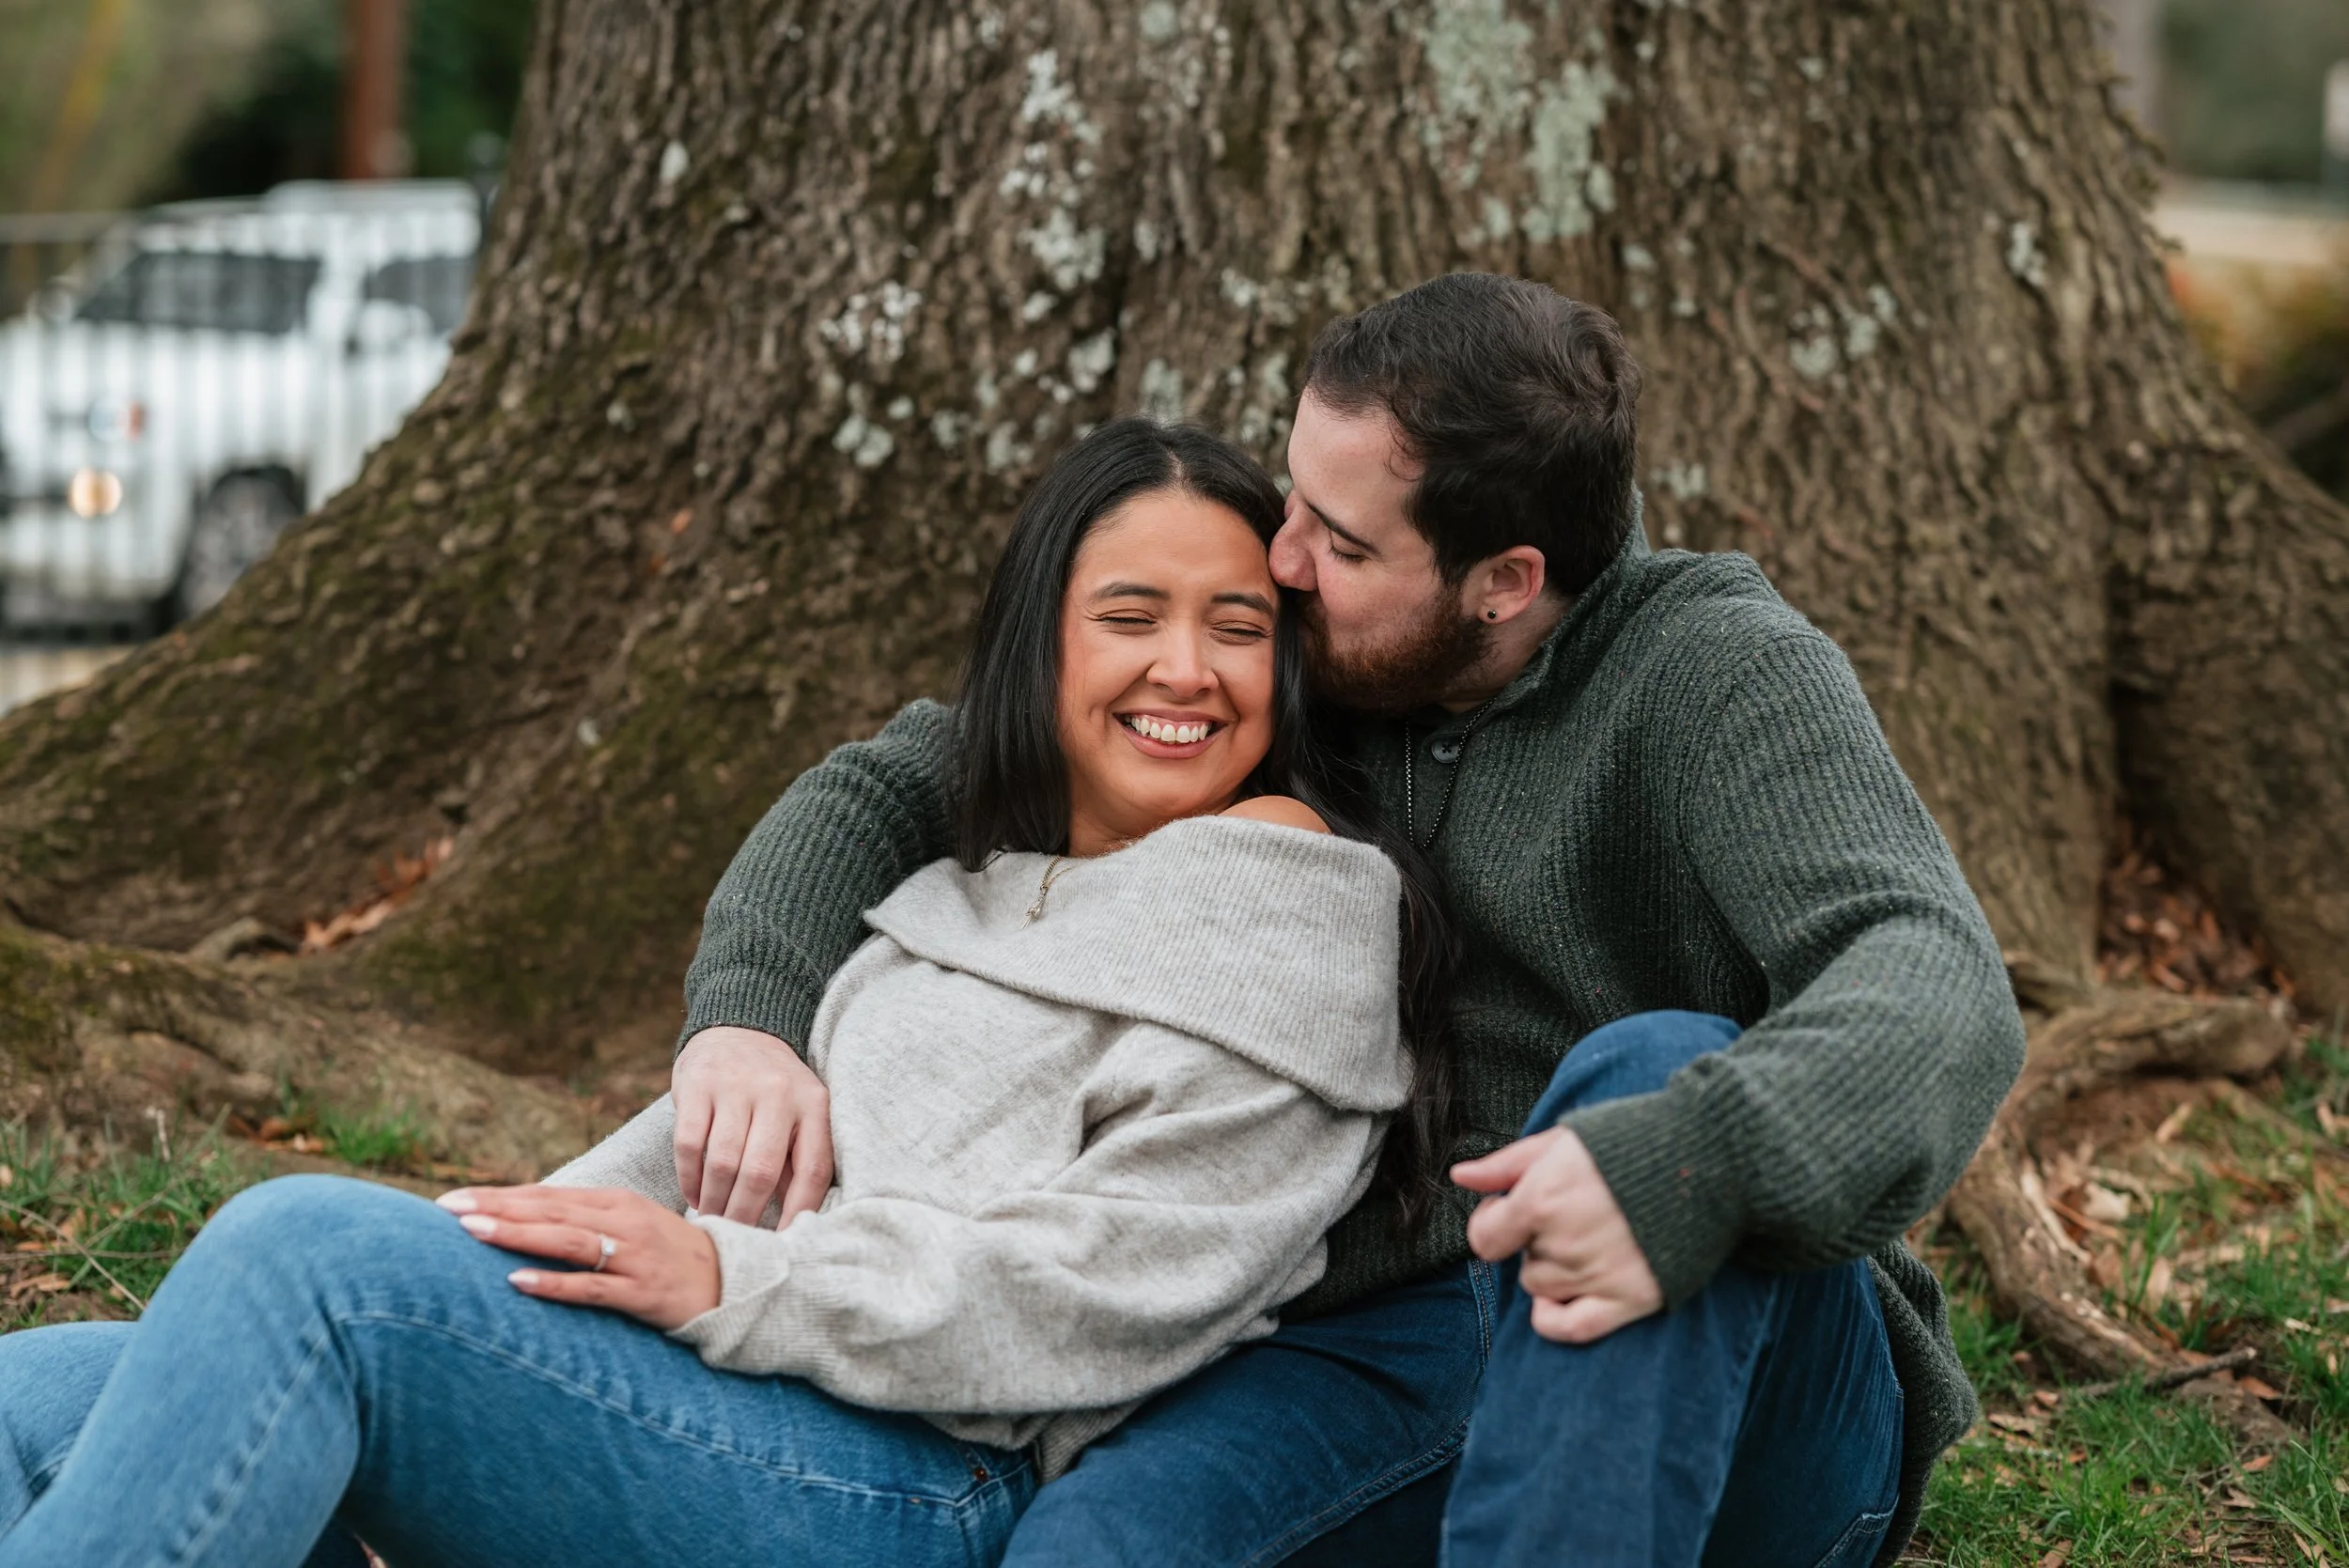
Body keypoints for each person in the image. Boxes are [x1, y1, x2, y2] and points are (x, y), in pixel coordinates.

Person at [669, 274, 2029, 1566]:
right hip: (1387, 1350)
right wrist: (747, 1014)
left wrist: (1703, 1160)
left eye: (1342, 538)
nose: (1286, 558)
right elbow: (896, 779)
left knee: (1647, 1071)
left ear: (1501, 580)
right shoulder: (1305, 659)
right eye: (1297, 500)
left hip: (1723, 1362)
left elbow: (1933, 977)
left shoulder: (1715, 676)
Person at [0, 419, 1458, 1568]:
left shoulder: (1290, 913)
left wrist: (733, 1280)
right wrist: (465, 1273)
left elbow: (1114, 1292)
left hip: (912, 1479)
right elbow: (697, 1165)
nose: (1185, 671)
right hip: (727, 1393)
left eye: (1238, 629)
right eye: (1130, 615)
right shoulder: (967, 891)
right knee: (39, 1398)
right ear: (1039, 649)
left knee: (297, 1263)